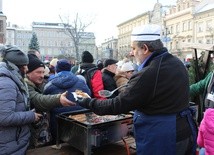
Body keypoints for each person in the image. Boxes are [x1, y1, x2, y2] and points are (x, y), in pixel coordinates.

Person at [77, 24, 197, 155]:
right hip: (183, 131)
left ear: (144, 48)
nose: (131, 53)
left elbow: (117, 105)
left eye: (133, 48)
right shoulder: (177, 62)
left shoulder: (148, 73)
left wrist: (86, 101)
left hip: (162, 137)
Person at [25, 54, 74, 148]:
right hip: (30, 136)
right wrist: (58, 99)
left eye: (43, 72)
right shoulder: (26, 86)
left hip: (42, 133)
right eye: (38, 72)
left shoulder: (43, 84)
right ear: (28, 72)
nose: (42, 76)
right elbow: (38, 99)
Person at [0, 45, 42, 154]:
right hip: (8, 146)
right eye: (25, 66)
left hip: (12, 143)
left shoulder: (11, 79)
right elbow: (4, 117)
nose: (27, 69)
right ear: (16, 66)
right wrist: (31, 116)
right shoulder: (6, 83)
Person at [43, 59, 91, 142]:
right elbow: (89, 96)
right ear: (70, 69)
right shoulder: (81, 82)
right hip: (82, 123)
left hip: (58, 126)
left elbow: (45, 103)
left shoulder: (49, 85)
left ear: (56, 70)